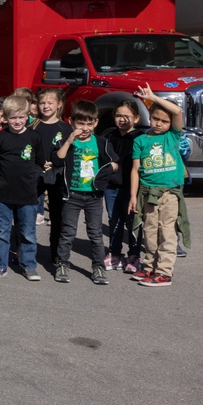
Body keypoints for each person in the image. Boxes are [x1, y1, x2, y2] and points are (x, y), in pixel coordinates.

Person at [51, 100, 118, 285]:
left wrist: (108, 169)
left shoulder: (102, 142)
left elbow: (114, 163)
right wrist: (70, 140)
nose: (85, 128)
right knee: (68, 232)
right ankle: (62, 264)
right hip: (72, 195)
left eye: (90, 123)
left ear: (96, 122)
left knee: (95, 233)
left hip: (93, 195)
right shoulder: (66, 141)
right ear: (72, 121)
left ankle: (98, 267)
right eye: (81, 123)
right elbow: (58, 159)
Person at [128, 84, 188, 287]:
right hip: (147, 193)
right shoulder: (141, 140)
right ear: (149, 117)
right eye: (155, 118)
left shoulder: (172, 136)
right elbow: (135, 170)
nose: (159, 123)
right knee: (150, 232)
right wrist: (132, 196)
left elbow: (177, 111)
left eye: (164, 121)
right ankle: (149, 268)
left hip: (169, 193)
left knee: (167, 232)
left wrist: (153, 98)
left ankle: (164, 272)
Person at [0, 96, 45, 281]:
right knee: (2, 232)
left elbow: (39, 162)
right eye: (13, 118)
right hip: (4, 193)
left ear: (28, 116)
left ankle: (29, 266)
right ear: (5, 118)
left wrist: (31, 179)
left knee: (28, 232)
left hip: (28, 194)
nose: (17, 121)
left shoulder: (34, 137)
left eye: (21, 117)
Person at [103, 99, 143, 272]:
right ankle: (114, 253)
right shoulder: (108, 135)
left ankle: (134, 255)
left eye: (127, 116)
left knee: (133, 222)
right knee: (114, 220)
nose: (122, 119)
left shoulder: (141, 138)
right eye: (119, 115)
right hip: (112, 186)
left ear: (136, 118)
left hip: (133, 188)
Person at [33, 88, 72, 250]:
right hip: (36, 172)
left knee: (57, 215)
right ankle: (24, 249)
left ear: (59, 104)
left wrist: (54, 164)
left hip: (57, 174)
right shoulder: (32, 127)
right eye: (42, 103)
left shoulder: (65, 129)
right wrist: (40, 163)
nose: (46, 106)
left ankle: (56, 252)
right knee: (27, 212)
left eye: (50, 103)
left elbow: (69, 155)